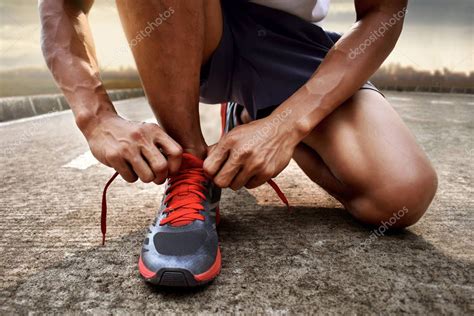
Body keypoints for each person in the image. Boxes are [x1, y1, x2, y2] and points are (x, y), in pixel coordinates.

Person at [39, 0, 438, 287]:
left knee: (400, 194)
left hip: (290, 40)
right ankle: (191, 167)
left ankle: (252, 113)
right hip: (182, 22)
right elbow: (62, 5)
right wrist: (96, 117)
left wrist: (285, 125)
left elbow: (383, 11)